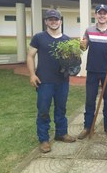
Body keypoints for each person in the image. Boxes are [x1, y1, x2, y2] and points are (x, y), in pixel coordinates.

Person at [27, 9, 76, 153]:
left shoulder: (67, 40)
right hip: (44, 81)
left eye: (56, 19)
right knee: (43, 110)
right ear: (46, 21)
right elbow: (30, 56)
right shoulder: (39, 37)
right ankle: (44, 139)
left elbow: (72, 61)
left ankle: (61, 133)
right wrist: (32, 75)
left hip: (62, 81)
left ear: (61, 21)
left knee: (61, 108)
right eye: (50, 19)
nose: (54, 21)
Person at [77, 4, 107, 140]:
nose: (102, 15)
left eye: (104, 13)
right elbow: (83, 47)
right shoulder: (89, 30)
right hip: (92, 71)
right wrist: (80, 44)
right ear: (95, 15)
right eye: (99, 13)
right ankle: (87, 126)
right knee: (90, 100)